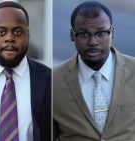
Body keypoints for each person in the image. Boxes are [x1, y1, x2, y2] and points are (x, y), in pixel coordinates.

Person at [0, 1, 51, 141]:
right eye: (1, 32)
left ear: (28, 34)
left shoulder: (50, 79)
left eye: (18, 32)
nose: (9, 38)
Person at [53, 1, 135, 140]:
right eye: (84, 34)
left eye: (101, 33)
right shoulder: (53, 80)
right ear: (72, 35)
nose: (93, 42)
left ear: (112, 33)